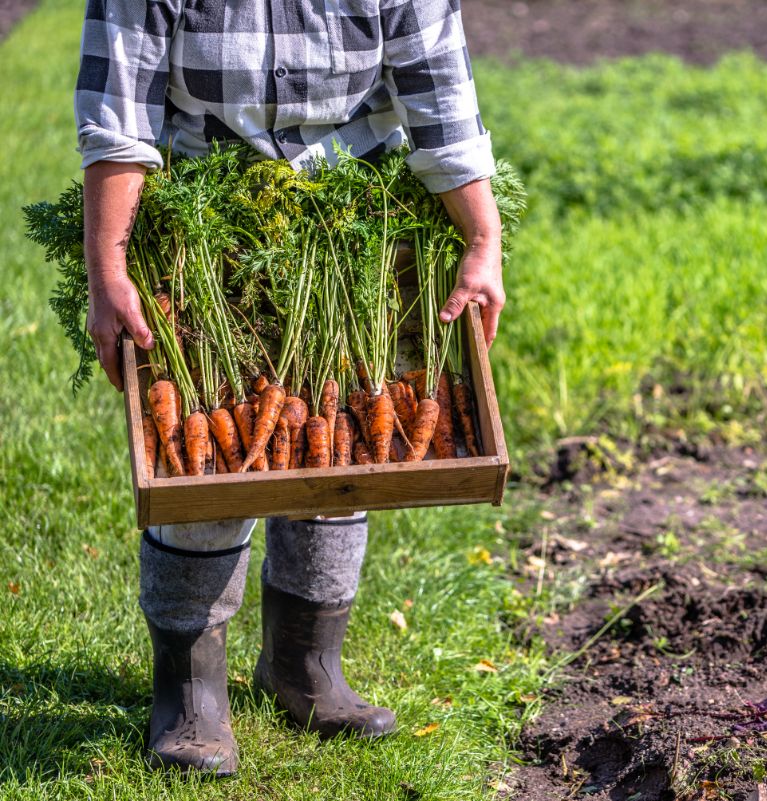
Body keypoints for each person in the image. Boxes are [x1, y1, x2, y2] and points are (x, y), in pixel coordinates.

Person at [75, 0, 505, 777]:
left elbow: (440, 95)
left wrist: (482, 238)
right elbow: (120, 114)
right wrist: (109, 269)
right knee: (200, 476)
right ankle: (190, 689)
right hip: (202, 224)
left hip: (349, 228)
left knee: (337, 445)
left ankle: (304, 665)